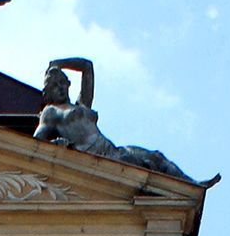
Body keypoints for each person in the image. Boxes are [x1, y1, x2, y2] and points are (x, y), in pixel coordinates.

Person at [34, 58, 190, 180]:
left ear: (68, 84)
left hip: (111, 150)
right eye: (55, 85)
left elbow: (87, 66)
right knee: (139, 165)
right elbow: (37, 142)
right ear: (48, 92)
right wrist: (55, 145)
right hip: (93, 157)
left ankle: (192, 185)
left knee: (156, 156)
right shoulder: (51, 112)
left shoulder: (82, 105)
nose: (60, 87)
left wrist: (60, 63)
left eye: (62, 83)